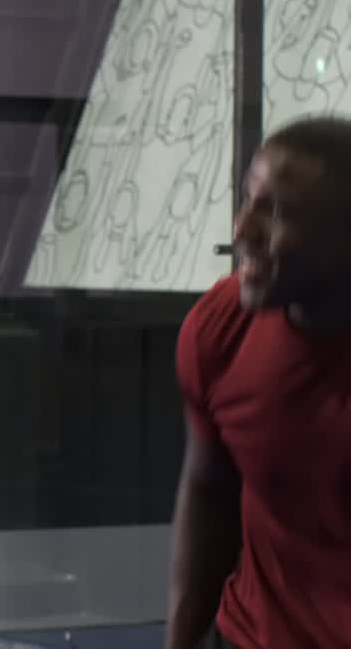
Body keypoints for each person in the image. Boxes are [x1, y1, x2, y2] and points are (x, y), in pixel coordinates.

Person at [166, 114, 351, 649]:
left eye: (277, 212)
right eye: (248, 199)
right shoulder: (220, 327)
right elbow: (207, 489)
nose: (241, 230)